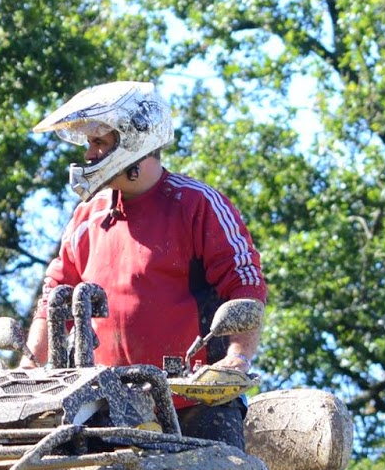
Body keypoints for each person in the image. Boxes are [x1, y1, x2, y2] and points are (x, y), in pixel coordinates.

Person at [22, 80, 267, 447]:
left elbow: (244, 283)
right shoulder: (87, 217)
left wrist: (237, 358)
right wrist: (29, 367)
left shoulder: (197, 205)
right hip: (104, 410)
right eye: (89, 143)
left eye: (99, 142)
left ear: (133, 140)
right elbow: (54, 297)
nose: (89, 154)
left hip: (195, 404)